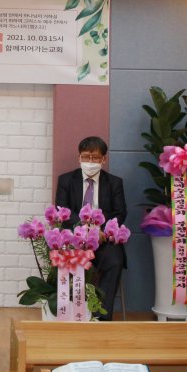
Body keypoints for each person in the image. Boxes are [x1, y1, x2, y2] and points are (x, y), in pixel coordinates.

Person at [54, 136, 127, 319]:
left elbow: (120, 213)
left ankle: (100, 317)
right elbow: (61, 210)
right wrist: (82, 230)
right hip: (73, 239)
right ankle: (70, 314)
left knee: (115, 260)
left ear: (104, 159)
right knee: (63, 258)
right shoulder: (66, 180)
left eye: (96, 158)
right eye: (86, 157)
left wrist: (102, 232)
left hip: (104, 239)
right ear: (79, 158)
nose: (90, 161)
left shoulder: (114, 183)